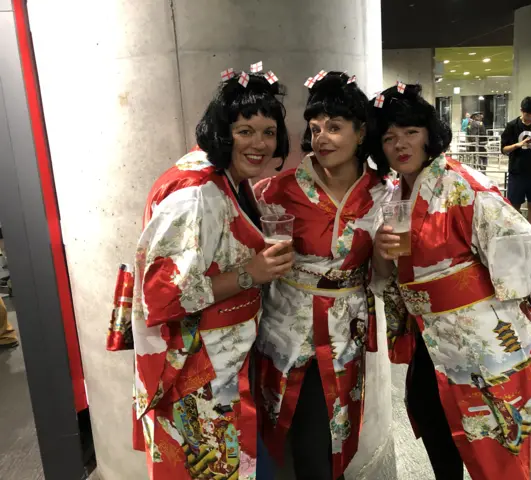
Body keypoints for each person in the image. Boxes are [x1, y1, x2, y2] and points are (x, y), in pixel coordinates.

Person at [107, 66, 295, 479]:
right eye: (246, 131)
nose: (259, 144)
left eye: (268, 132)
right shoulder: (195, 195)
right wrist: (251, 273)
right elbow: (162, 296)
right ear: (223, 132)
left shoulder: (227, 179)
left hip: (223, 357)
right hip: (197, 367)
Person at [369, 84, 531, 480]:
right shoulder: (395, 195)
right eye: (388, 137)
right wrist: (382, 253)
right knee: (438, 434)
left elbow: (523, 249)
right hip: (430, 342)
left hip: (483, 340)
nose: (400, 144)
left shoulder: (462, 184)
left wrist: (485, 300)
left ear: (429, 134)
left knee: (494, 453)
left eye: (410, 132)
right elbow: (386, 276)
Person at [253, 71, 393, 480]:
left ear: (361, 131)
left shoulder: (383, 192)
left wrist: (385, 256)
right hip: (287, 326)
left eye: (334, 127)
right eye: (315, 129)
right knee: (290, 430)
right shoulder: (275, 191)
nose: (323, 139)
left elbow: (382, 274)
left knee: (332, 431)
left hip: (344, 327)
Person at [501, 96, 531, 229]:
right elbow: (504, 149)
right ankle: (515, 234)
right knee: (514, 206)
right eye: (527, 114)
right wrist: (518, 144)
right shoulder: (512, 126)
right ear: (521, 110)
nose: (530, 117)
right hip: (517, 171)